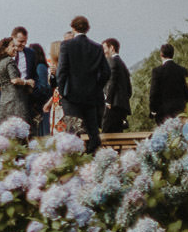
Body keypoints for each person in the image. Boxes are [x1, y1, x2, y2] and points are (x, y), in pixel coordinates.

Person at [55, 16, 110, 153]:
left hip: (71, 95)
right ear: (87, 28)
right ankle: (91, 156)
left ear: (73, 28)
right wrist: (97, 87)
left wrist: (62, 92)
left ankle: (74, 160)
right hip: (91, 95)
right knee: (92, 131)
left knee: (73, 132)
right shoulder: (97, 47)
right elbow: (106, 72)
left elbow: (61, 71)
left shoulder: (66, 45)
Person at [0, 36, 32, 125]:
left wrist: (6, 85)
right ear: (5, 48)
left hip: (3, 102)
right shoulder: (9, 61)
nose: (15, 48)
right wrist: (27, 82)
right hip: (15, 102)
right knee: (19, 130)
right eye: (12, 46)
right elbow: (14, 80)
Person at [150, 43, 188, 124]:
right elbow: (187, 93)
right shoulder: (182, 70)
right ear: (173, 54)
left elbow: (154, 93)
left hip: (163, 113)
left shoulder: (157, 71)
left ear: (161, 54)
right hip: (180, 112)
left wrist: (153, 110)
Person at [102, 37, 133, 134]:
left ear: (111, 48)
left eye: (104, 49)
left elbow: (112, 81)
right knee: (117, 133)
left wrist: (108, 101)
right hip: (121, 106)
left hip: (113, 105)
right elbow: (129, 89)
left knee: (105, 133)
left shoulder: (112, 61)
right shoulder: (122, 63)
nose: (103, 52)